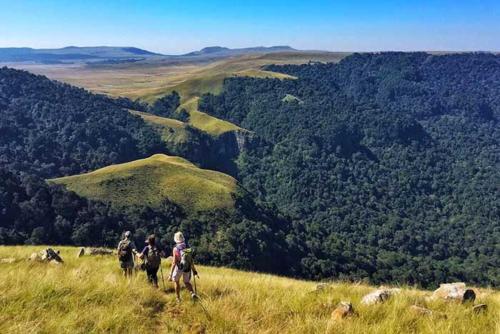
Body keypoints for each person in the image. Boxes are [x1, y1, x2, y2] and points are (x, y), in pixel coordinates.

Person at [168, 231, 198, 302]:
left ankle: (178, 298)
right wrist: (194, 270)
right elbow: (191, 261)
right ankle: (192, 293)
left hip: (179, 268)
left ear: (176, 240)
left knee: (176, 281)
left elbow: (174, 262)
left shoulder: (175, 249)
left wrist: (170, 274)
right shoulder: (187, 248)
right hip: (187, 267)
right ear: (183, 239)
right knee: (187, 282)